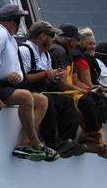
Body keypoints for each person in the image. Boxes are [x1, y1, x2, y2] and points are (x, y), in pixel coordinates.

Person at [0, 5, 56, 161]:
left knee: (42, 100)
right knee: (25, 96)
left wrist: (17, 76)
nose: (18, 24)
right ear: (13, 21)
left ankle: (25, 142)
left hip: (2, 86)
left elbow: (19, 72)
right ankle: (35, 142)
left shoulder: (12, 40)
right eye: (18, 20)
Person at [17, 21, 81, 157]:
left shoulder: (45, 54)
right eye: (51, 35)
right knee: (48, 100)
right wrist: (47, 74)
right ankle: (52, 141)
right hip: (28, 88)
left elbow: (48, 76)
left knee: (67, 101)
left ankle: (66, 139)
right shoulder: (24, 50)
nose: (54, 39)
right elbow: (23, 78)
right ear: (42, 36)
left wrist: (56, 76)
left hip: (42, 87)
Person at [51, 25, 107, 158]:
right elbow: (63, 85)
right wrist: (84, 91)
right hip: (60, 92)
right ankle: (90, 140)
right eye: (77, 40)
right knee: (87, 102)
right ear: (71, 41)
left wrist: (89, 89)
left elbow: (74, 79)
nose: (78, 43)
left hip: (69, 90)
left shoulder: (68, 54)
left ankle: (91, 136)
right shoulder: (59, 52)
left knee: (99, 100)